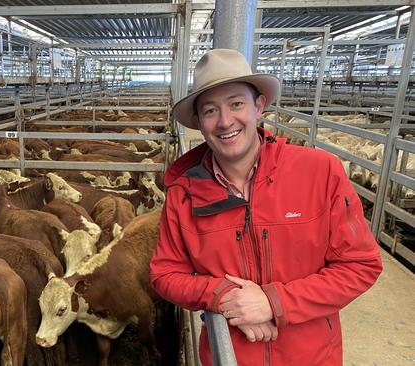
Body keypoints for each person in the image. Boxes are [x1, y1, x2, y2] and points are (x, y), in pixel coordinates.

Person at [149, 48, 383, 365]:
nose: (224, 121)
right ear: (199, 124)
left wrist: (274, 302)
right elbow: (165, 274)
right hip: (229, 356)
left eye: (236, 104)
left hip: (312, 357)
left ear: (259, 106)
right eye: (210, 111)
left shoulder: (321, 171)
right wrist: (223, 296)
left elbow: (360, 266)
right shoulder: (184, 193)